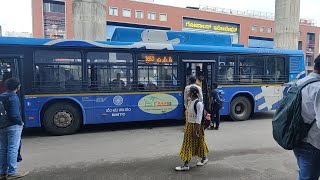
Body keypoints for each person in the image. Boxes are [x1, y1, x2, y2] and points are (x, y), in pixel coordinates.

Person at [293, 55, 320, 180]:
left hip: (296, 137)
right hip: (312, 143)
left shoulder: (299, 83)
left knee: (304, 174)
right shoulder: (318, 88)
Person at [0, 78, 29, 179]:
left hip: (2, 126)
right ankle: (12, 172)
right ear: (17, 87)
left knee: (3, 149)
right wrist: (20, 122)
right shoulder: (13, 97)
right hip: (13, 126)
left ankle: (3, 172)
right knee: (13, 148)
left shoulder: (1, 96)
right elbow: (14, 114)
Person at [175, 86, 209, 171]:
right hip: (189, 126)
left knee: (188, 144)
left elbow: (198, 118)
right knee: (199, 143)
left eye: (189, 92)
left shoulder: (199, 104)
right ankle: (204, 158)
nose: (187, 93)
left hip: (196, 127)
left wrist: (195, 131)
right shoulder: (191, 102)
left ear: (193, 93)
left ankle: (186, 165)